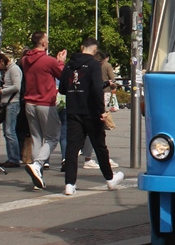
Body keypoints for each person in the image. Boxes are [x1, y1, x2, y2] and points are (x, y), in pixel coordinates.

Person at [60, 37, 124, 196]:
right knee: (99, 145)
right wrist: (102, 110)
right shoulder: (94, 65)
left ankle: (69, 183)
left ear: (82, 47)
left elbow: (62, 89)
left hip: (73, 110)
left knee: (72, 148)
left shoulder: (68, 65)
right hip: (91, 111)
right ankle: (110, 179)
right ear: (95, 50)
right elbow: (96, 89)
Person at [20, 31, 67, 189]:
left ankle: (37, 173)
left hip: (29, 103)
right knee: (53, 137)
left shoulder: (25, 59)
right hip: (45, 103)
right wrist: (60, 62)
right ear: (43, 43)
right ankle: (38, 165)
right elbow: (63, 76)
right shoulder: (48, 60)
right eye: (47, 40)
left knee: (36, 138)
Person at [0, 52, 22, 168]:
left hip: (12, 103)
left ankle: (14, 158)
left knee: (10, 131)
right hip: (7, 102)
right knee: (7, 132)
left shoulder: (14, 69)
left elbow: (17, 86)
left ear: (2, 61)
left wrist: (2, 91)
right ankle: (12, 157)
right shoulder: (8, 71)